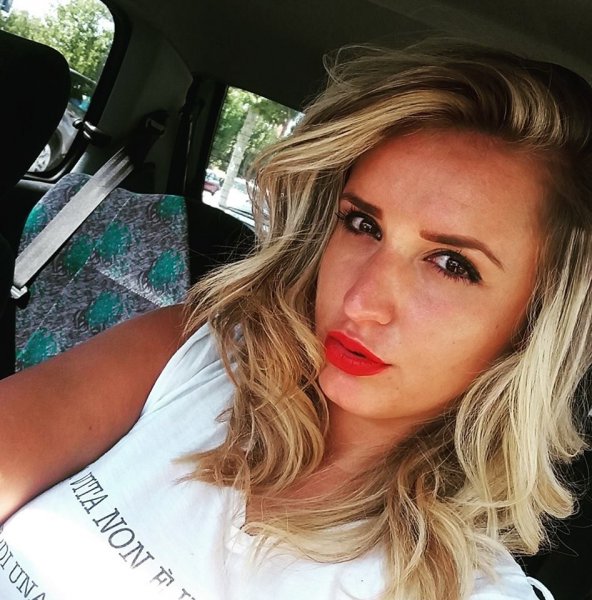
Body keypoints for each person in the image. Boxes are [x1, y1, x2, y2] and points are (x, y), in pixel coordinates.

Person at [1, 42, 591, 600]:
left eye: (451, 264)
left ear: (537, 317)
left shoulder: (464, 588)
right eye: (363, 225)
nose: (361, 301)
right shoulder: (196, 353)